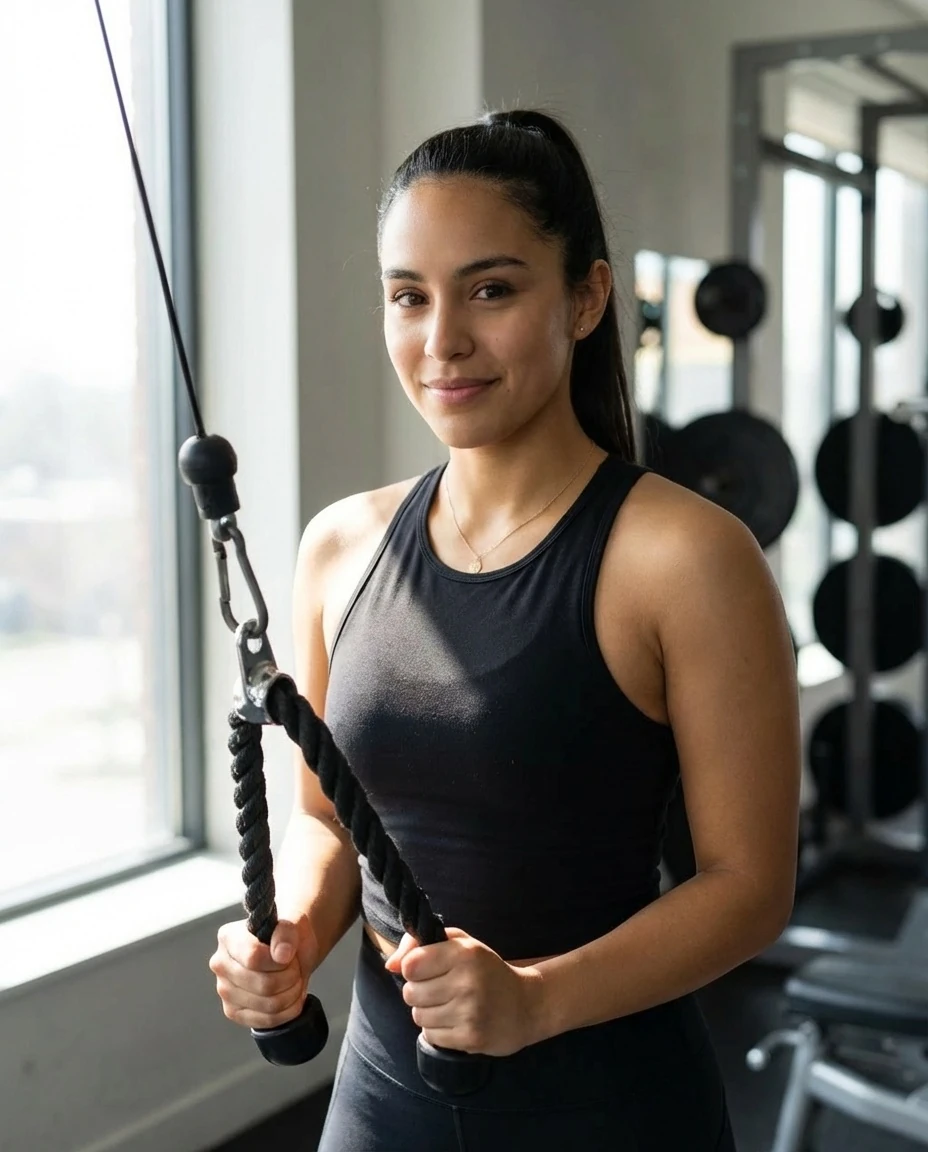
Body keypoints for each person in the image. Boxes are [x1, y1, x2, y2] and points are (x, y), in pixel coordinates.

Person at [208, 109, 801, 1151]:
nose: (441, 341)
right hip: (381, 1105)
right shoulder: (338, 546)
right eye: (408, 296)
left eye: (490, 289)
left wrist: (533, 998)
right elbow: (325, 823)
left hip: (607, 1108)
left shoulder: (686, 557)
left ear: (584, 297)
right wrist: (293, 932)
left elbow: (748, 888)